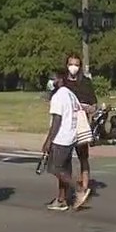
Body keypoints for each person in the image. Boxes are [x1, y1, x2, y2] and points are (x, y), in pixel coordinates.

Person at [43, 69, 92, 212]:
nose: (50, 82)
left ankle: (79, 189)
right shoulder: (71, 95)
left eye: (52, 78)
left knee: (54, 168)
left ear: (59, 79)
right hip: (71, 137)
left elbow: (57, 120)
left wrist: (48, 141)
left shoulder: (58, 97)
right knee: (64, 170)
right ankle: (61, 200)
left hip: (61, 138)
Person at [63, 54, 98, 196]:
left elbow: (94, 105)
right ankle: (66, 189)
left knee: (83, 157)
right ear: (66, 65)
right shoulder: (63, 82)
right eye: (71, 64)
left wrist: (87, 108)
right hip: (65, 125)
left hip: (81, 124)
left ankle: (84, 186)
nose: (73, 67)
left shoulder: (86, 82)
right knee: (65, 159)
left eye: (76, 64)